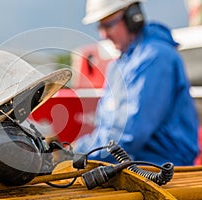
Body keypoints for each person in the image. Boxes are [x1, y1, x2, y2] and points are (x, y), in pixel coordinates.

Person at [73, 0, 199, 166]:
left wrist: (76, 152)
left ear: (134, 17)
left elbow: (130, 135)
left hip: (164, 171)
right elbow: (106, 127)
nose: (103, 34)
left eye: (108, 25)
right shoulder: (118, 66)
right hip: (132, 167)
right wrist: (76, 150)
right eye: (100, 26)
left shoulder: (156, 58)